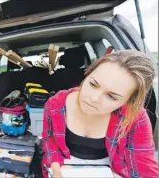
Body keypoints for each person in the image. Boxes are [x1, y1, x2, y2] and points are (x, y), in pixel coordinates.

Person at [41, 50, 158, 178]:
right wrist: (55, 166)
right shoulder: (55, 105)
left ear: (128, 101)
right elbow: (49, 140)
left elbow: (144, 170)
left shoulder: (134, 117)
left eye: (111, 96)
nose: (94, 98)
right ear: (88, 73)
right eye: (93, 84)